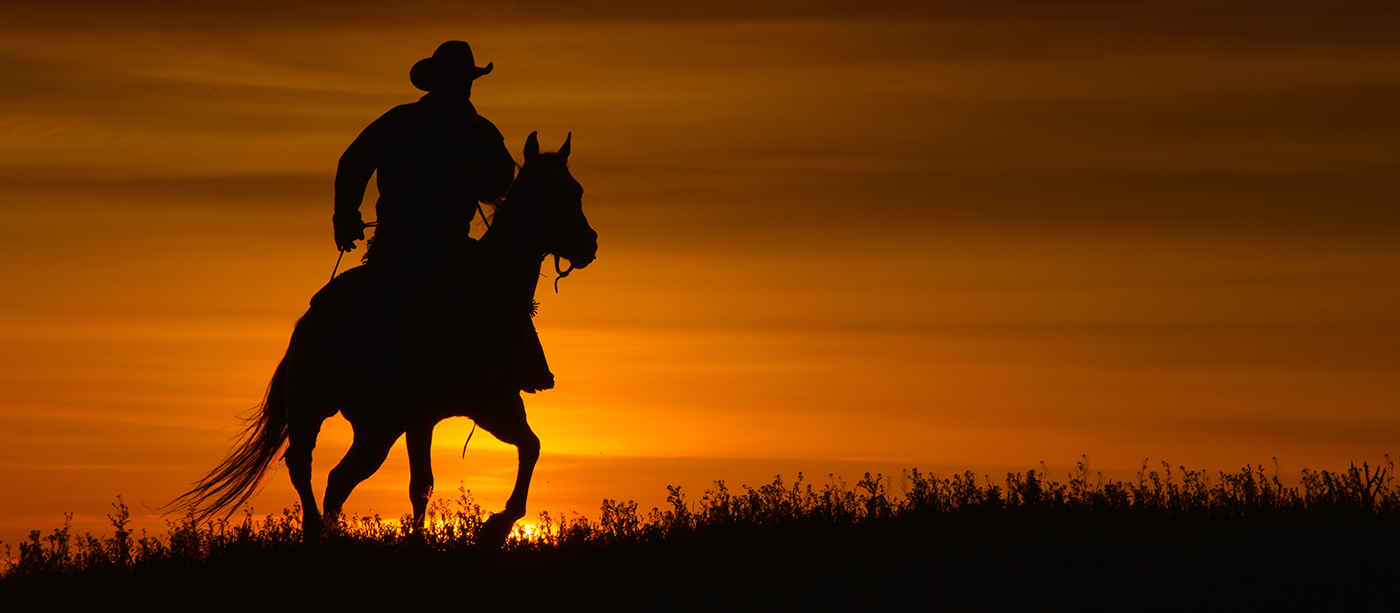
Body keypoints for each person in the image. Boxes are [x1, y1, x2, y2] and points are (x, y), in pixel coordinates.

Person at [327, 40, 553, 391]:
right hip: (397, 243)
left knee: (502, 290)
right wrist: (345, 215)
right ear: (439, 80)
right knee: (370, 304)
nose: (463, 85)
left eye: (467, 79)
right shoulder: (401, 122)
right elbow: (354, 162)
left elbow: (502, 180)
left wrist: (474, 179)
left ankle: (526, 365)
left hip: (451, 243)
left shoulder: (481, 132)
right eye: (457, 77)